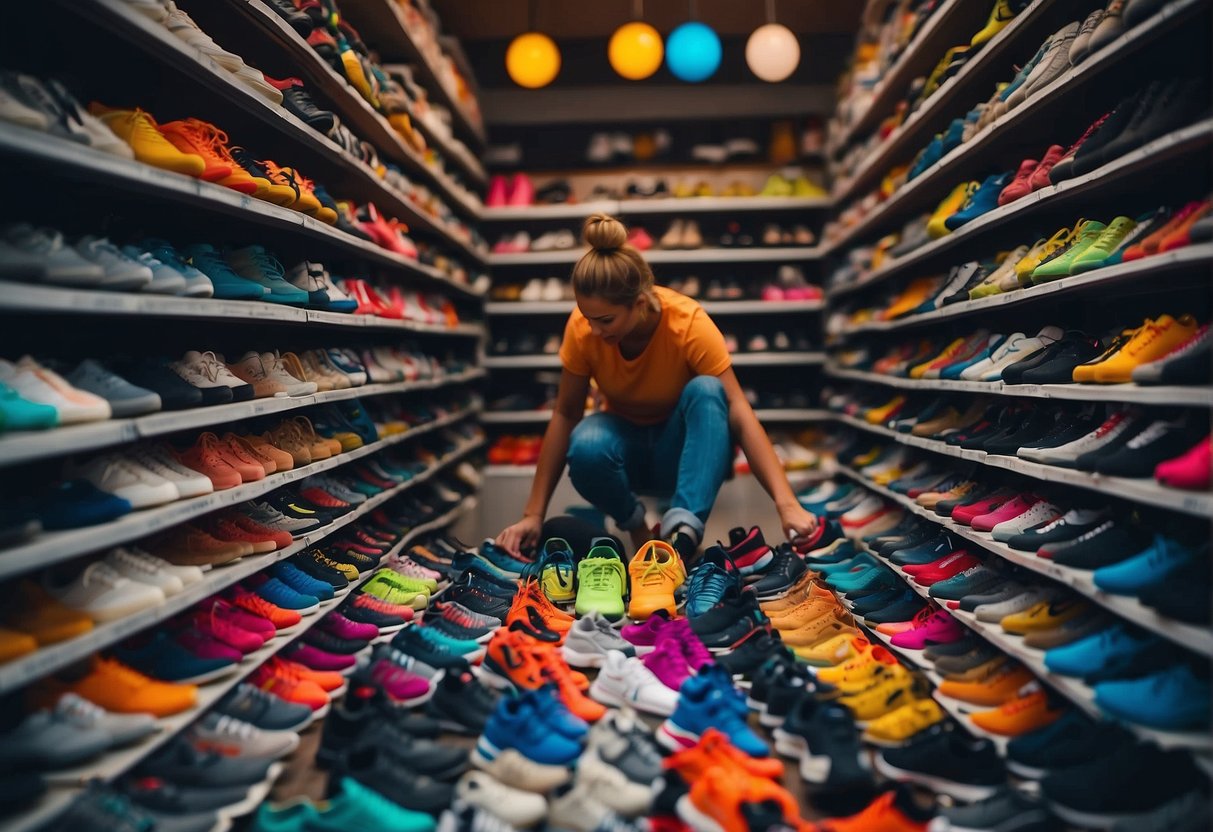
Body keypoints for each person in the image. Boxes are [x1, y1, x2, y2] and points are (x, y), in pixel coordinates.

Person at [496, 213, 818, 560]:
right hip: (625, 454)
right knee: (586, 440)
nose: (594, 331)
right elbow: (566, 412)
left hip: (681, 453)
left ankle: (681, 540)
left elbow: (739, 410)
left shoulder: (688, 322)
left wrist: (787, 505)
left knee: (709, 390)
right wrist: (533, 514)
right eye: (588, 319)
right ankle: (639, 530)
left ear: (638, 303)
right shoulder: (583, 329)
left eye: (606, 321)